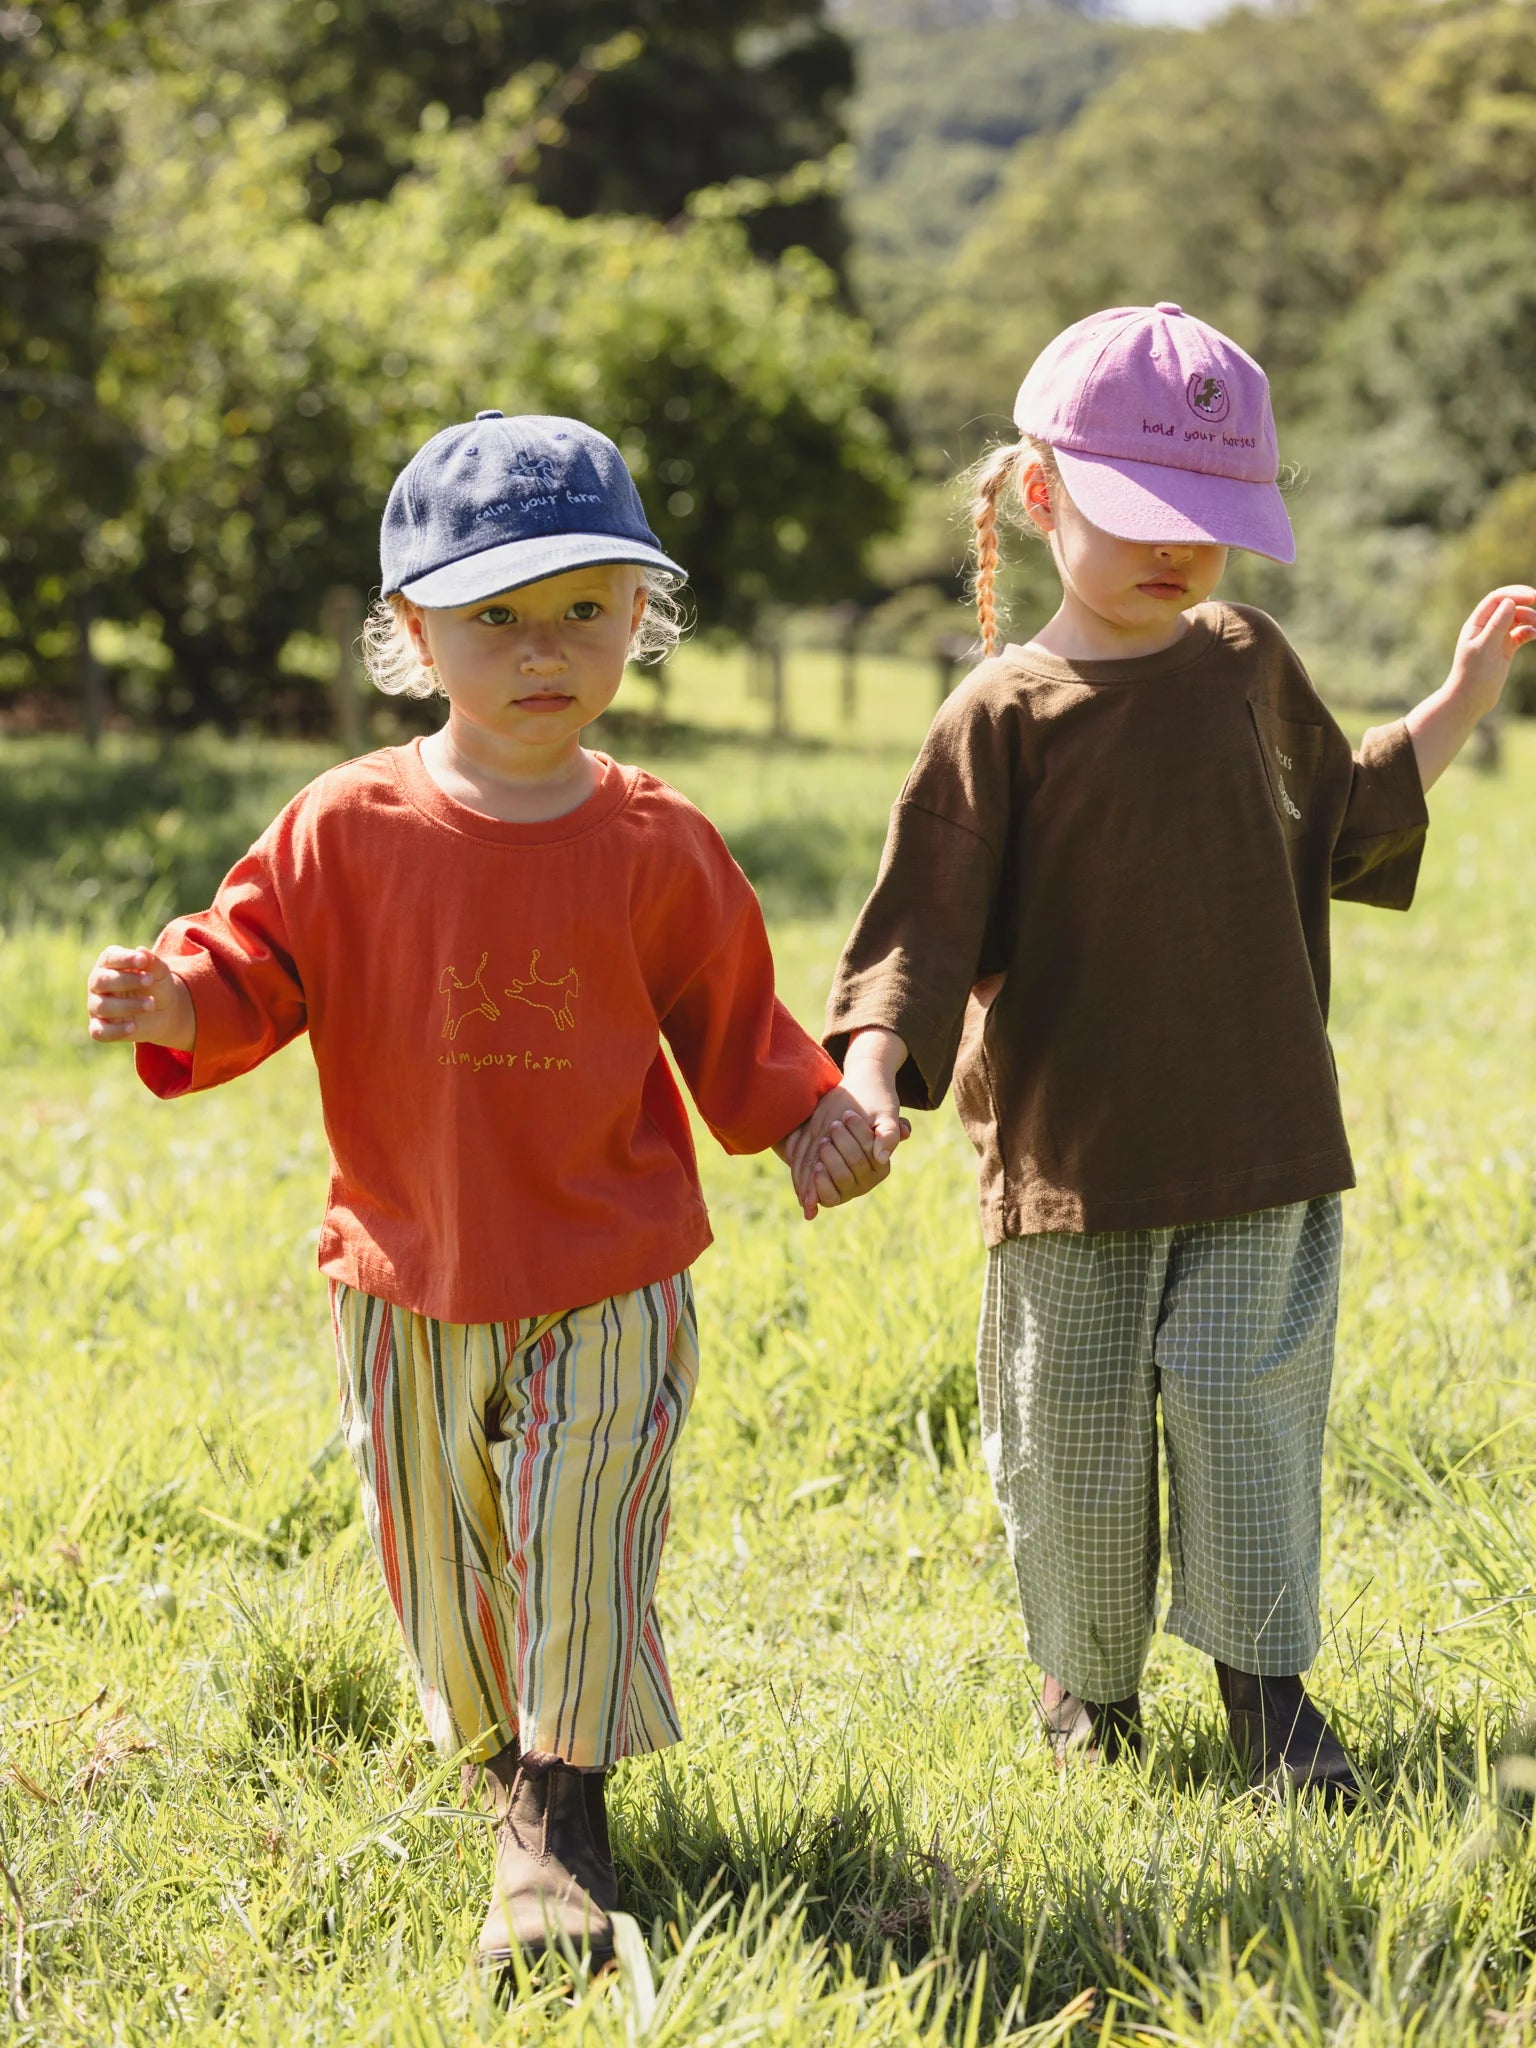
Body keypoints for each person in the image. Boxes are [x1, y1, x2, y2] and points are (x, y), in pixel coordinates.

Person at [85, 412, 892, 1972]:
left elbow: (736, 1022)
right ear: (412, 631)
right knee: (446, 1564)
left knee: (580, 1531)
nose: (544, 648)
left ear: (638, 617)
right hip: (405, 1276)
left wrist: (808, 1122)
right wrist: (176, 1000)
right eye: (496, 614)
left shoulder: (657, 839)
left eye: (584, 607)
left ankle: (559, 1816)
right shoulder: (345, 826)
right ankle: (505, 1761)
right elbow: (250, 964)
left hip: (610, 1265)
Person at [812, 304, 1535, 1798]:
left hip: (1260, 1137)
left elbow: (1341, 815)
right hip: (1072, 1165)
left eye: (1208, 522)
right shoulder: (1001, 714)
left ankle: (1269, 1697)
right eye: (1141, 513)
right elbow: (919, 927)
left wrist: (1462, 697)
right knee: (1070, 1443)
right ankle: (1087, 1686)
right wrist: (870, 1071)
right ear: (1040, 494)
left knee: (1242, 1414)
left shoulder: (1245, 660)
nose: (1178, 550)